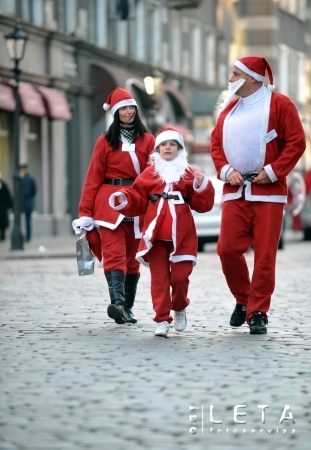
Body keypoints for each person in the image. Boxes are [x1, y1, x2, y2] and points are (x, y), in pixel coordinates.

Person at [210, 56, 306, 334]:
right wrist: (226, 170)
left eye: (235, 73)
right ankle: (243, 299)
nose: (230, 79)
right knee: (226, 249)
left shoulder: (280, 104)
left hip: (269, 194)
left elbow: (296, 142)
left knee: (265, 256)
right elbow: (216, 145)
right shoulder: (229, 109)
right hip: (235, 191)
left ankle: (258, 312)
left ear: (252, 77)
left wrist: (274, 171)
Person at [109, 128, 215, 337]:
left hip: (182, 236)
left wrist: (202, 185)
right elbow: (137, 199)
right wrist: (123, 198)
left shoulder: (188, 172)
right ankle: (162, 319)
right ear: (157, 149)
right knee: (159, 280)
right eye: (164, 145)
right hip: (155, 237)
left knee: (180, 278)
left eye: (172, 145)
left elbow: (202, 205)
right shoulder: (149, 173)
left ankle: (180, 306)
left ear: (180, 149)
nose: (168, 148)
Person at [72, 87, 155, 325]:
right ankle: (117, 303)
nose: (128, 112)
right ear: (116, 112)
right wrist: (84, 213)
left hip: (137, 200)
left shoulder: (148, 140)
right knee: (114, 254)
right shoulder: (104, 141)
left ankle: (127, 308)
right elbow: (92, 178)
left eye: (131, 107)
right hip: (108, 204)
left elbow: (154, 173)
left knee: (131, 258)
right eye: (123, 108)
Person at [19, 164, 37, 242]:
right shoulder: (20, 179)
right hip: (21, 202)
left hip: (28, 202)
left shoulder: (30, 179)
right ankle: (21, 236)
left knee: (28, 220)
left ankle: (28, 237)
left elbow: (34, 190)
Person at [0, 173, 13, 240]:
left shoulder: (4, 185)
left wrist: (10, 206)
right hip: (3, 207)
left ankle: (3, 236)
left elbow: (8, 196)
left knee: (2, 224)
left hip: (3, 208)